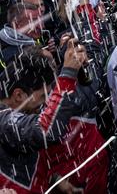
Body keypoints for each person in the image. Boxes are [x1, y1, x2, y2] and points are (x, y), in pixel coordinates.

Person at [0, 46, 89, 193]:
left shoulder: (15, 115)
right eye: (43, 96)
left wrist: (53, 180)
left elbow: (18, 161)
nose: (46, 102)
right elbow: (44, 131)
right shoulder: (3, 120)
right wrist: (68, 75)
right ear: (18, 95)